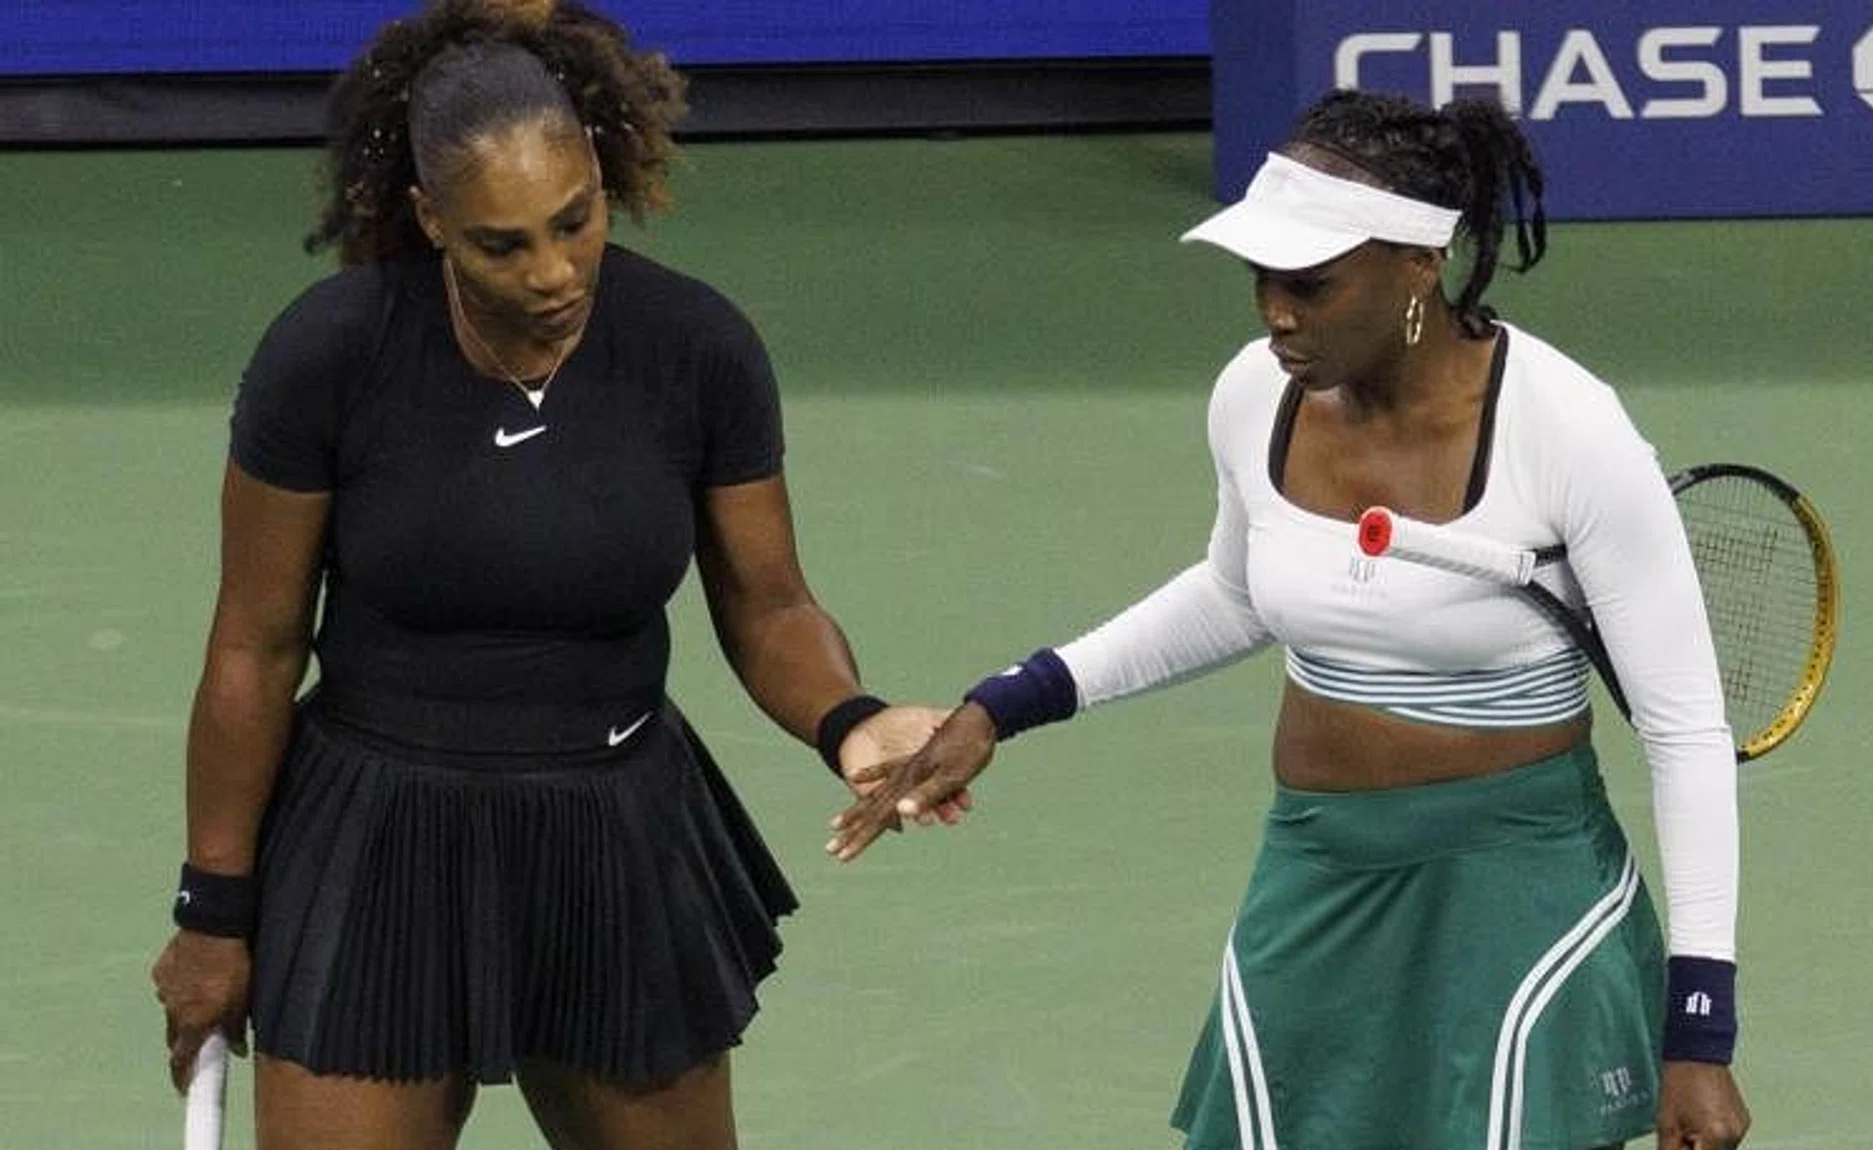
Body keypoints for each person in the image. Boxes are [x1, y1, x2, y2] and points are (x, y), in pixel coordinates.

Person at [828, 89, 1752, 1150]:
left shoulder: (1570, 434)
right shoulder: (1253, 396)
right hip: (1314, 870)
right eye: (1262, 279)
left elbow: (1687, 736)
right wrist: (1004, 705)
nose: (1275, 312)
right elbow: (1237, 590)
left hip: (1515, 883)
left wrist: (1701, 1032)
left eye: (1310, 285)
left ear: (1419, 263)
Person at [147, 2, 963, 1147]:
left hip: (617, 838)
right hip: (381, 840)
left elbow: (769, 603)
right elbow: (255, 642)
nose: (552, 270)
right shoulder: (328, 354)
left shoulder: (695, 347)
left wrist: (851, 721)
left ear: (599, 175)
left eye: (574, 223)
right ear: (431, 219)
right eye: (502, 243)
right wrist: (213, 912)